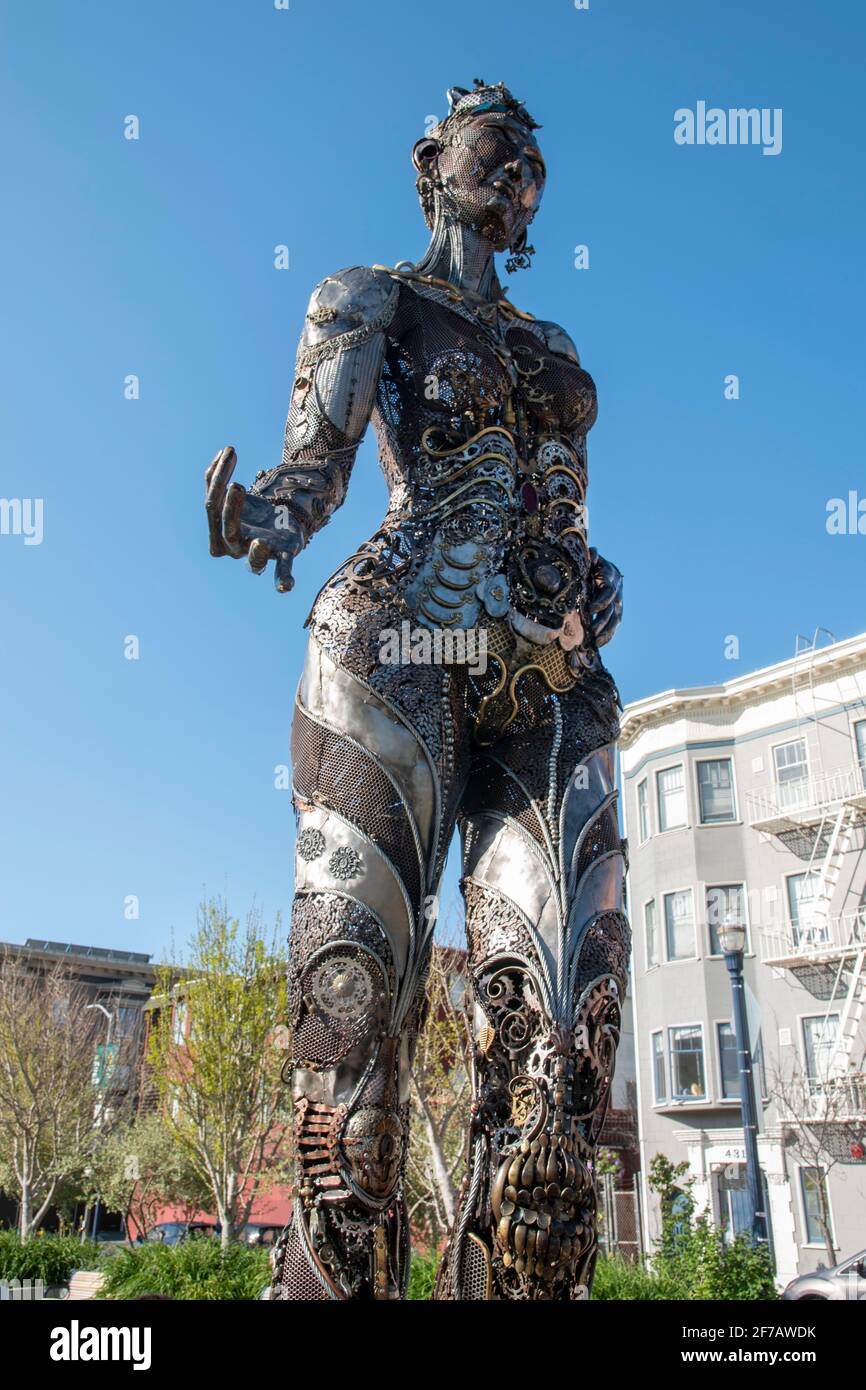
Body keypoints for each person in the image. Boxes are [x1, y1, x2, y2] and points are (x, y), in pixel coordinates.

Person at [205, 80, 628, 1301]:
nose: (520, 170)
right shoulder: (371, 299)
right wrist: (268, 516)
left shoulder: (554, 354)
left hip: (543, 683)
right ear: (430, 161)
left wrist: (595, 585)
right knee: (356, 1025)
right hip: (399, 647)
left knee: (558, 1046)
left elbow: (561, 520)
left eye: (534, 160)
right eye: (498, 146)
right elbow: (314, 461)